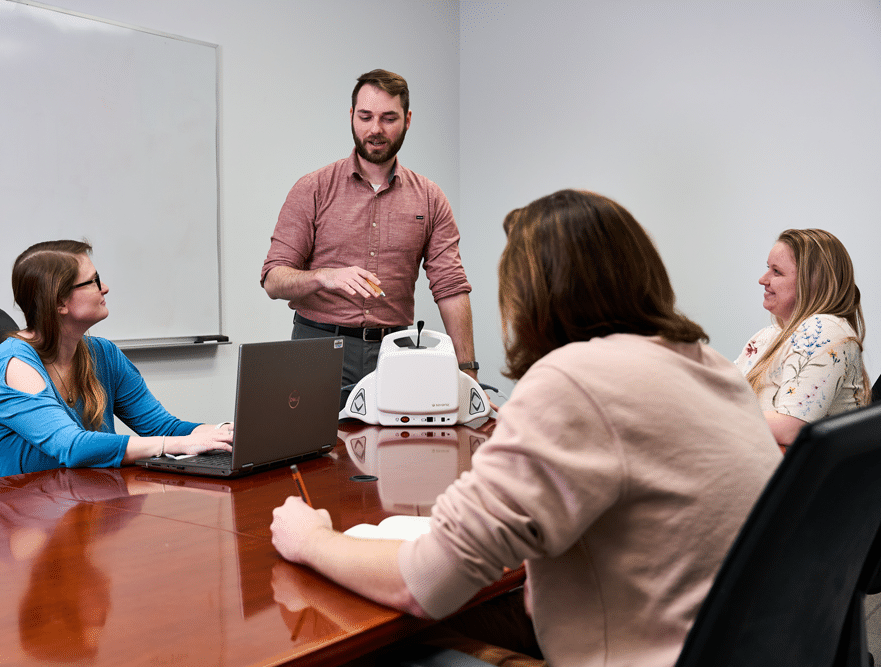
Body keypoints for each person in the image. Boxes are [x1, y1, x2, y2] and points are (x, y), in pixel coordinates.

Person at [271, 190, 781, 667]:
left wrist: (311, 539)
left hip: (638, 652)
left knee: (374, 644)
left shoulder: (573, 380)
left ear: (534, 297)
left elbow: (424, 585)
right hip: (736, 645)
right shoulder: (709, 365)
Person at [261, 69, 479, 403]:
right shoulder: (313, 189)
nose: (375, 129)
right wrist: (324, 277)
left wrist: (468, 374)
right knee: (311, 453)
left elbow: (451, 287)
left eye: (388, 118)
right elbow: (274, 280)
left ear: (407, 120)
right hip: (317, 349)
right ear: (352, 117)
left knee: (396, 453)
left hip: (396, 353)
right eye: (366, 117)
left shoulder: (431, 198)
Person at [0, 240, 233, 482]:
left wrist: (225, 433)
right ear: (59, 302)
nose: (104, 288)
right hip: (8, 516)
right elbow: (72, 446)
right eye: (93, 281)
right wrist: (171, 445)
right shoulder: (14, 364)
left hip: (74, 504)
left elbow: (164, 428)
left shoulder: (103, 354)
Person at [735, 228, 870, 450]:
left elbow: (791, 428)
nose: (763, 279)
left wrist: (713, 415)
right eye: (767, 269)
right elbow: (726, 395)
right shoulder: (766, 337)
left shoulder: (825, 329)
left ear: (812, 281)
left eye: (776, 272)